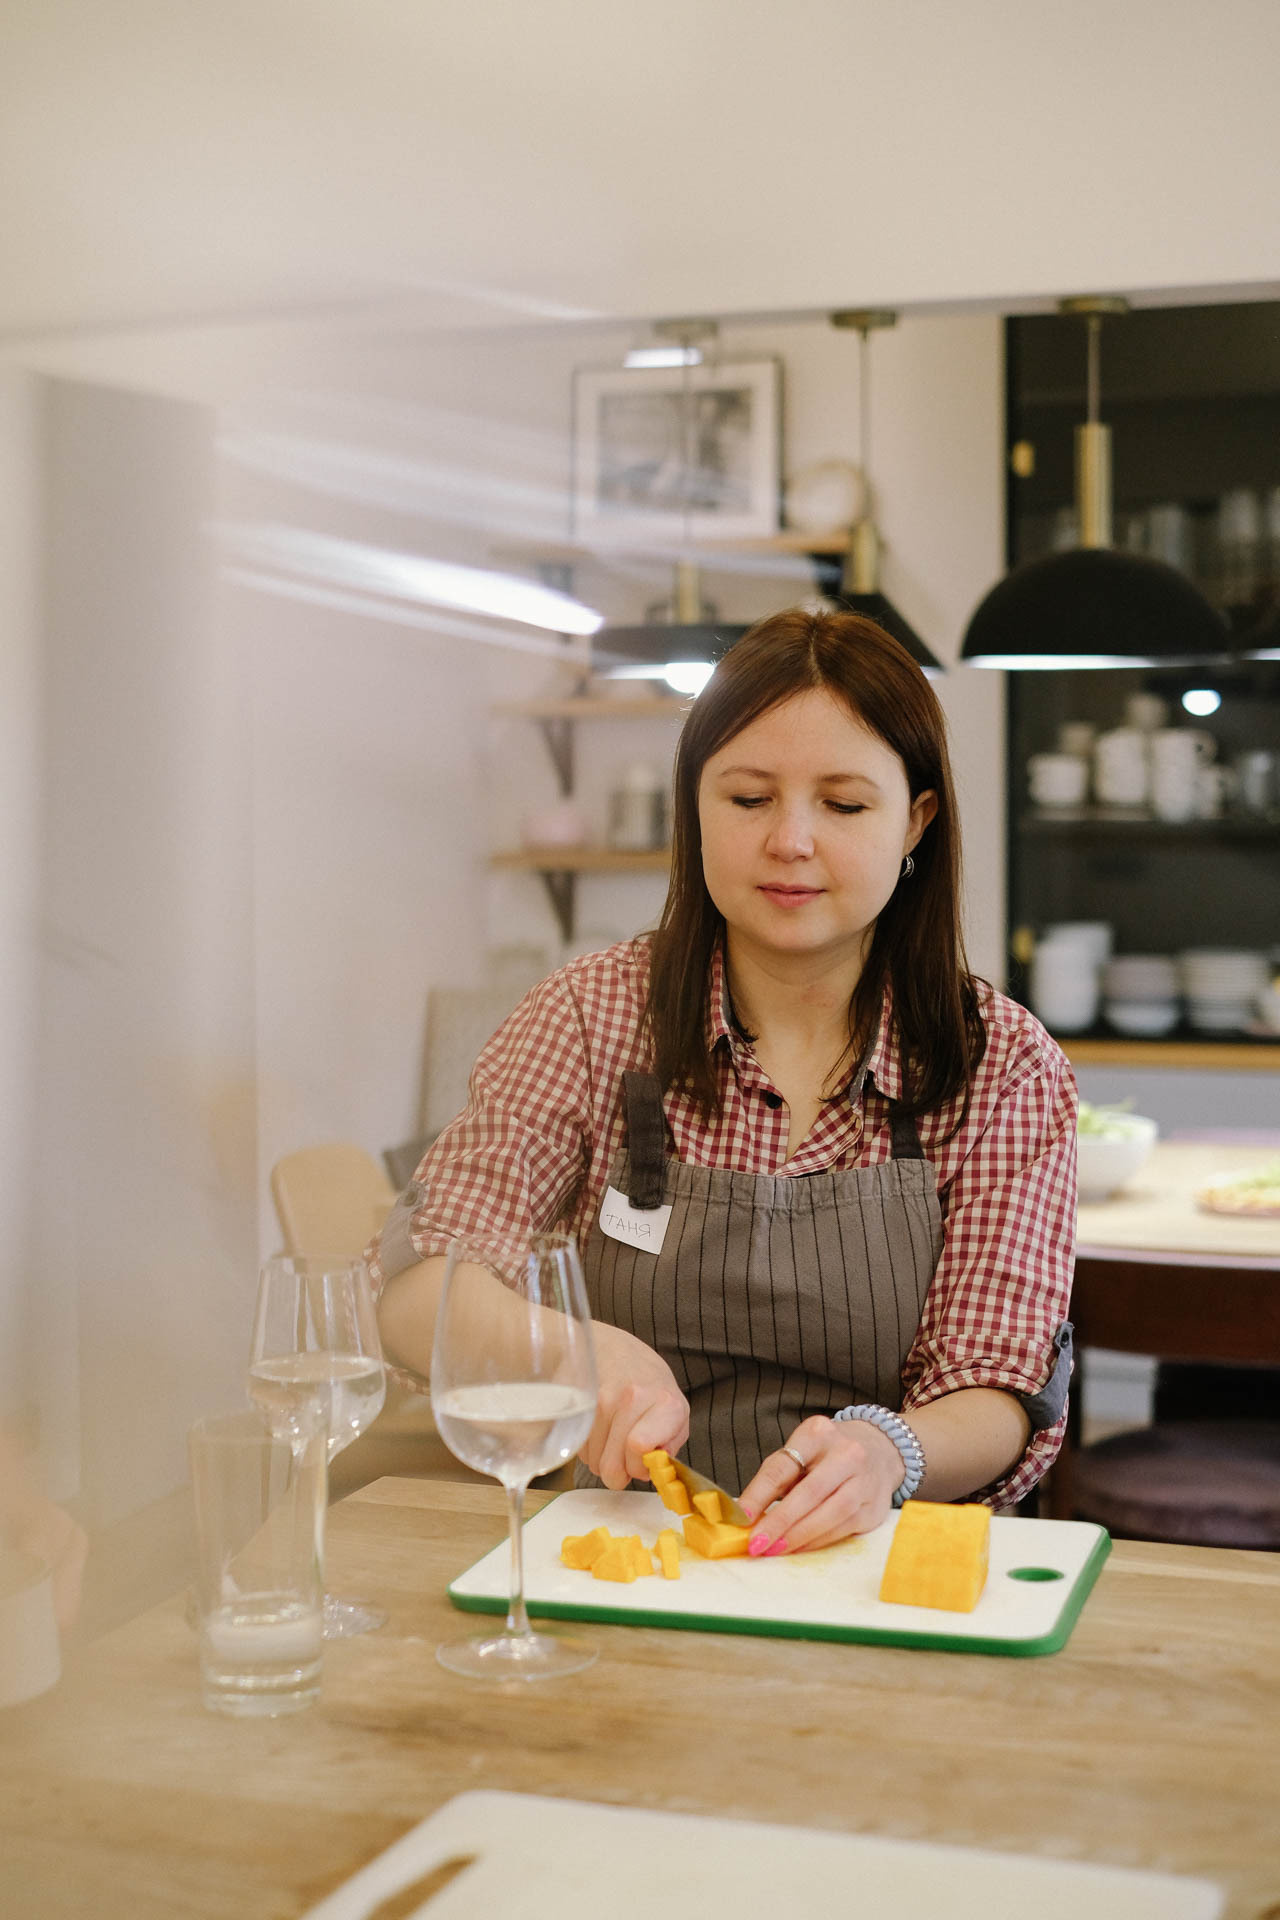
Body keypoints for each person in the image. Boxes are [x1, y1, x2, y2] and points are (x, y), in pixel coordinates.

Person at [371, 608, 1076, 1553]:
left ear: (916, 820)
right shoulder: (592, 1018)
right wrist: (572, 1356)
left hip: (885, 1564)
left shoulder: (1004, 1065)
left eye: (844, 804)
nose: (790, 840)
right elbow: (420, 1293)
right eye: (748, 799)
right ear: (694, 809)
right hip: (630, 1555)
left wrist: (889, 1453)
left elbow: (996, 1384)